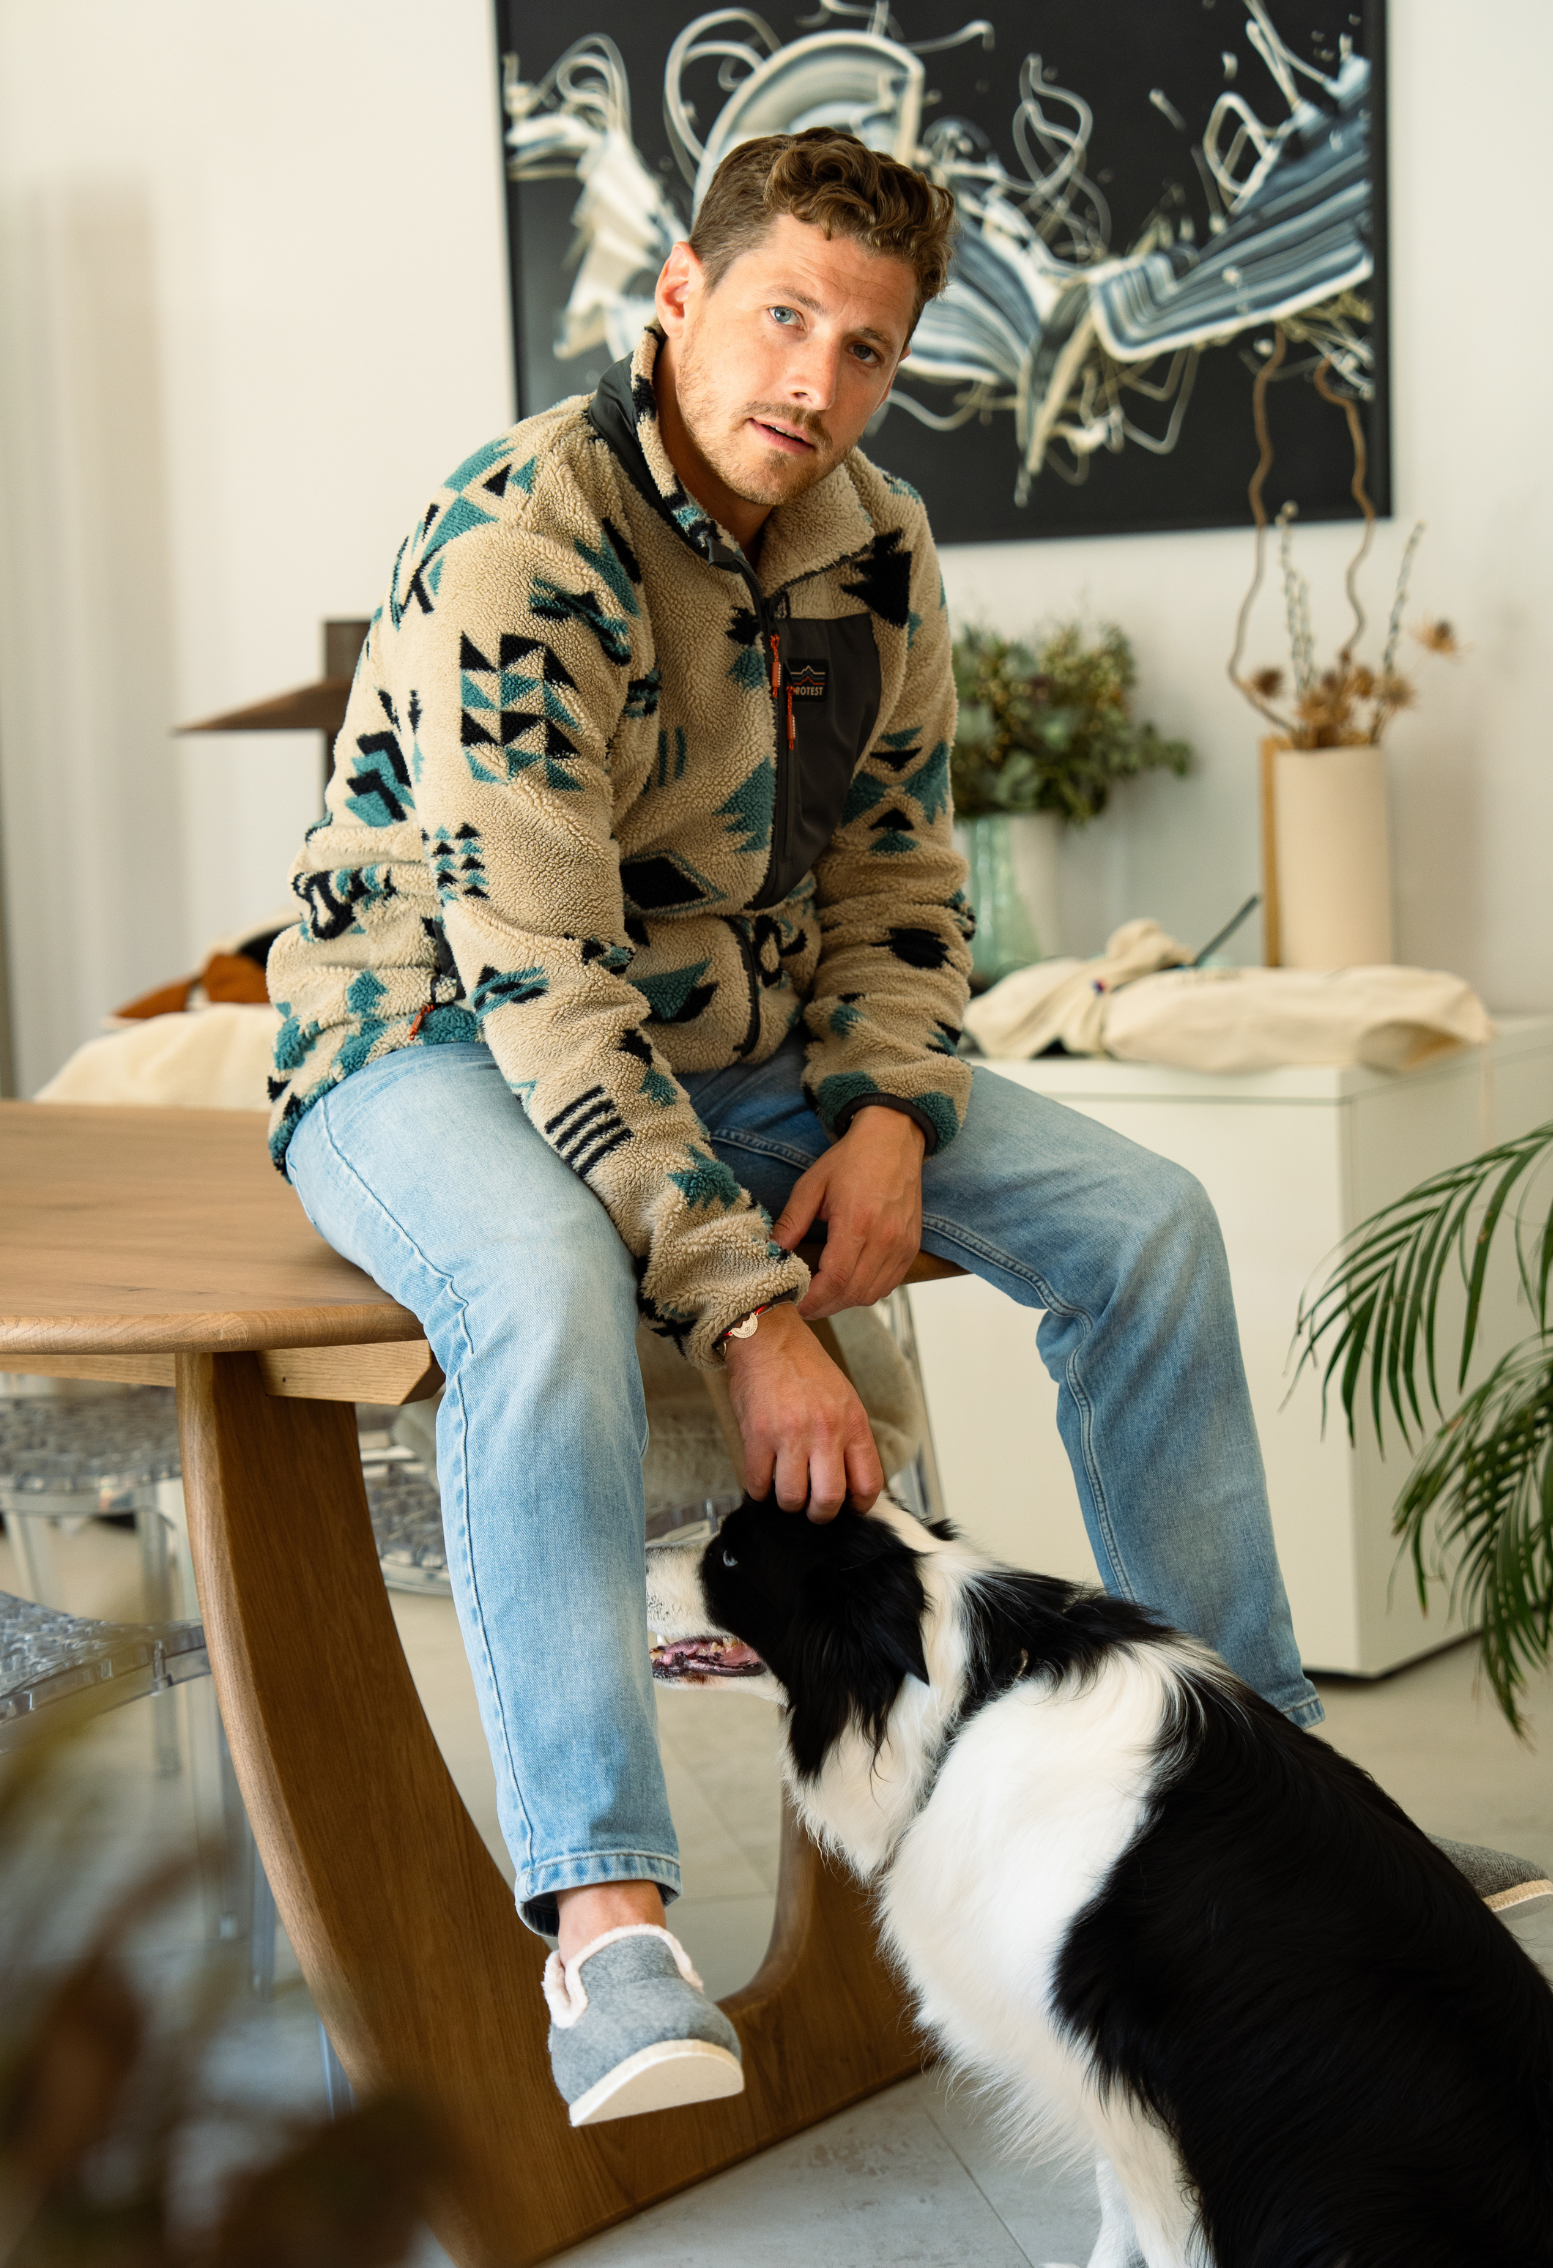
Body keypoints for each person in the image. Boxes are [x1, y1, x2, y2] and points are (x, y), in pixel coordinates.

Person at [267, 128, 1327, 2125]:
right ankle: (606, 1929)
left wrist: (895, 1114)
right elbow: (546, 987)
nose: (814, 380)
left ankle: (1269, 1798)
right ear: (679, 293)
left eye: (866, 348)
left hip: (739, 1041)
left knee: (1150, 1221)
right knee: (545, 1294)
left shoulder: (880, 545)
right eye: (781, 316)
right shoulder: (522, 547)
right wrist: (754, 1315)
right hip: (434, 1036)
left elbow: (904, 892)